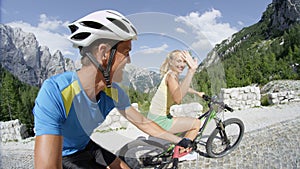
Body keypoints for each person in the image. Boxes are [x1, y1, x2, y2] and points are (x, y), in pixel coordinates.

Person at [33, 10, 193, 169]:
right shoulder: (56, 92)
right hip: (64, 155)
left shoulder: (113, 92)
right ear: (104, 53)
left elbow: (143, 123)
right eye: (126, 52)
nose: (129, 61)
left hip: (88, 146)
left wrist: (179, 140)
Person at [148, 50, 205, 144]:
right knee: (196, 123)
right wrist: (191, 71)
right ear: (171, 62)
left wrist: (197, 93)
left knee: (184, 122)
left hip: (155, 116)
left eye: (184, 62)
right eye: (179, 61)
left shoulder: (172, 74)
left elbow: (181, 88)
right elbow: (178, 99)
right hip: (159, 120)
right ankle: (183, 152)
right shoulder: (171, 76)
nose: (182, 65)